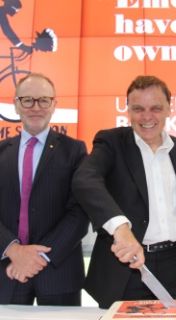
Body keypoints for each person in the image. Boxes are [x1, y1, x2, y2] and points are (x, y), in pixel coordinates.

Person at [72, 75, 176, 308]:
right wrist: (120, 228)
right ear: (128, 110)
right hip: (126, 267)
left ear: (169, 107)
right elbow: (84, 179)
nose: (147, 117)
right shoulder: (111, 142)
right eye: (138, 109)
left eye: (156, 108)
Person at [0, 73, 89, 305]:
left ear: (54, 105)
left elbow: (80, 212)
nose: (35, 107)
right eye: (27, 100)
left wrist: (39, 257)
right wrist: (13, 251)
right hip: (8, 269)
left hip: (58, 271)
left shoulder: (75, 151)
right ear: (16, 105)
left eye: (43, 100)